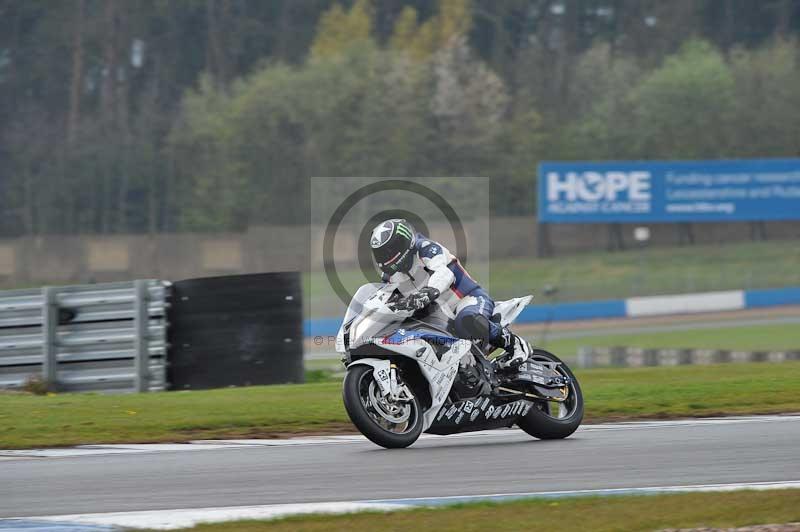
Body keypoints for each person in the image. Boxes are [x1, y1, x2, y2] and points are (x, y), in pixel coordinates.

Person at [369, 218, 531, 368]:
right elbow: (386, 299)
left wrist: (428, 292)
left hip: (467, 299)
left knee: (467, 319)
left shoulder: (426, 249)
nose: (386, 256)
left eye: (389, 250)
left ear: (402, 243)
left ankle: (515, 344)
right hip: (436, 318)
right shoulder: (390, 277)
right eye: (381, 253)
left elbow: (444, 274)